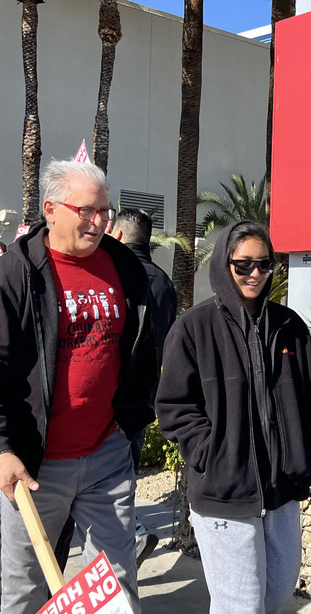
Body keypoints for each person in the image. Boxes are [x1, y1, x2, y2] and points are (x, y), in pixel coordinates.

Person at [0, 158, 157, 614]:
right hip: (35, 462)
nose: (100, 220)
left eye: (105, 209)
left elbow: (143, 345)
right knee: (26, 589)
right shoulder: (12, 276)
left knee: (118, 579)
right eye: (87, 210)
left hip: (107, 452)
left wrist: (130, 421)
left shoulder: (124, 268)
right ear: (52, 209)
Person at [157, 220, 311, 614]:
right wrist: (212, 454)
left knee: (278, 591)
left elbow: (308, 394)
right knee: (242, 611)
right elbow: (175, 407)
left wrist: (306, 445)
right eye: (243, 264)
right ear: (223, 264)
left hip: (280, 488)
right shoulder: (194, 328)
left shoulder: (290, 327)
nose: (255, 274)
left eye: (264, 265)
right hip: (224, 490)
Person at [108, 207, 176, 566]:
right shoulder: (165, 282)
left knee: (105, 487)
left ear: (117, 235)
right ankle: (127, 536)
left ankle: (130, 534)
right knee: (125, 478)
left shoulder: (113, 274)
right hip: (145, 398)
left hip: (110, 402)